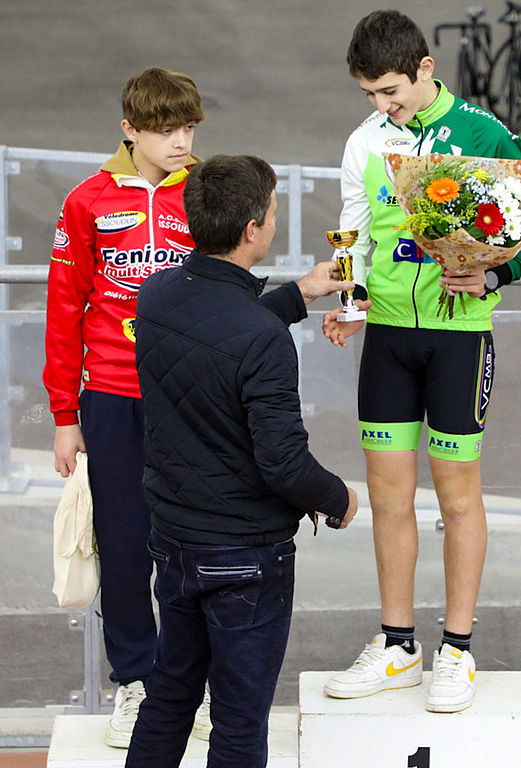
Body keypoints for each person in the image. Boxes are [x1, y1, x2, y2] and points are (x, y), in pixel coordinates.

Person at [320, 10, 521, 714]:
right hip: (389, 337)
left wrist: (493, 276)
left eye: (390, 91)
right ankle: (398, 645)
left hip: (459, 336)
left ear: (425, 68)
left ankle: (457, 648)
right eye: (369, 94)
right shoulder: (364, 140)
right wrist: (353, 302)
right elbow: (352, 230)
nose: (381, 106)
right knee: (389, 496)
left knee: (457, 498)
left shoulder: (481, 132)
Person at [126, 154, 359, 768]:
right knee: (238, 720)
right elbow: (284, 464)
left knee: (169, 695)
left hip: (174, 538)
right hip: (245, 555)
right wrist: (338, 498)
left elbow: (217, 333)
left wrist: (299, 294)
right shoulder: (262, 341)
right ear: (253, 229)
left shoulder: (157, 294)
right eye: (273, 213)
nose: (275, 222)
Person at [42, 67, 210, 748]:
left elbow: (227, 293)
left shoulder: (206, 193)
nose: (181, 142)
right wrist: (64, 415)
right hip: (110, 398)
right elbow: (63, 311)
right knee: (123, 544)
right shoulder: (86, 201)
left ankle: (188, 682)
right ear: (129, 131)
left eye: (189, 128)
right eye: (165, 130)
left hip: (190, 398)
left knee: (194, 544)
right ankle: (136, 681)